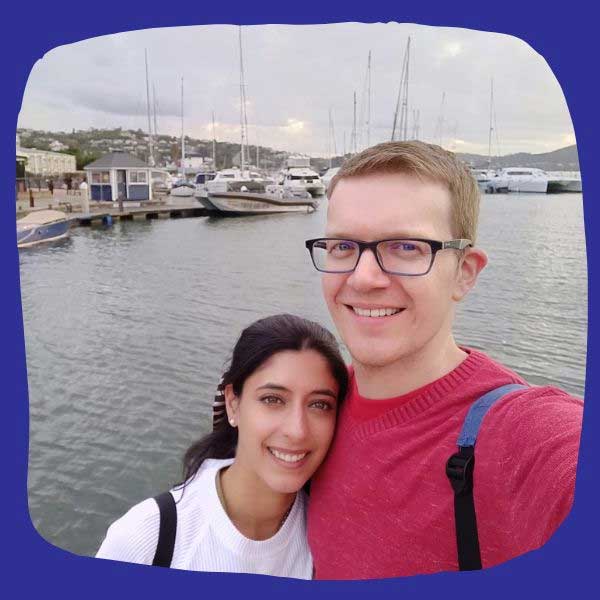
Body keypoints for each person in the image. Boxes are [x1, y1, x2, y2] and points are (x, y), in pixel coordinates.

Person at [303, 141, 583, 579]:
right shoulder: (315, 408)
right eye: (342, 247)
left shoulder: (521, 436)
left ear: (465, 272)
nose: (363, 278)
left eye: (406, 247)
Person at [96, 314, 348, 577]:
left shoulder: (330, 539)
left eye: (319, 404)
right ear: (232, 403)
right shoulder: (148, 539)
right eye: (273, 399)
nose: (297, 430)